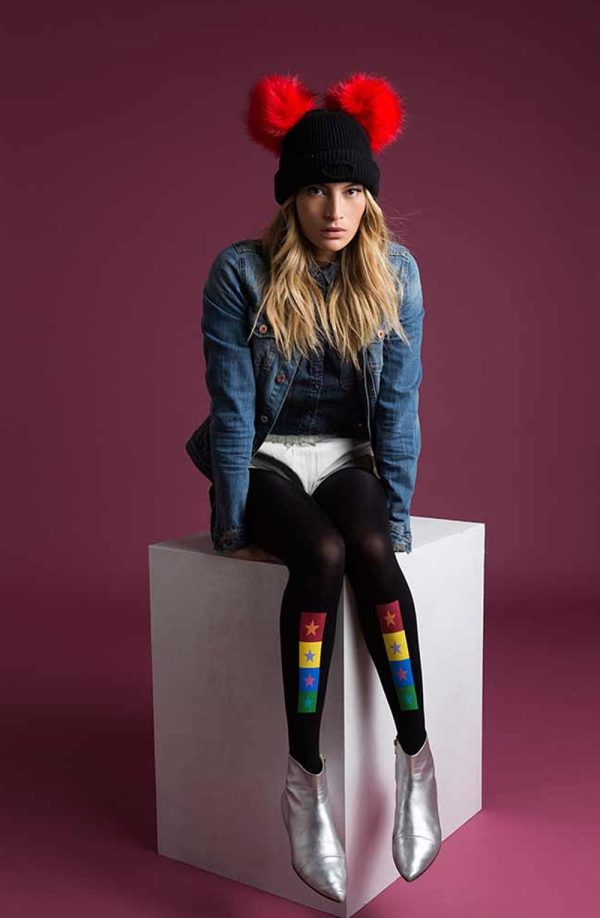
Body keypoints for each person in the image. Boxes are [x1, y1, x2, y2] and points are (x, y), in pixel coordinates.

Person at [185, 71, 442, 902]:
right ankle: (305, 782)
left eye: (351, 191)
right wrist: (231, 526)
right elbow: (233, 407)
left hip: (346, 457)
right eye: (316, 191)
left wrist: (395, 519)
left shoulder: (395, 273)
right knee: (321, 557)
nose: (335, 208)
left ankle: (416, 761)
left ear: (370, 198)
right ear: (290, 198)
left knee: (367, 547)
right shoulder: (241, 272)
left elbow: (397, 408)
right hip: (268, 456)